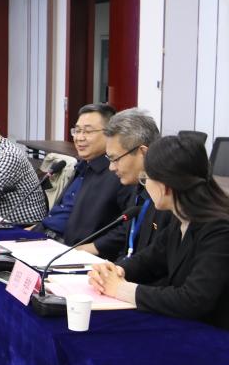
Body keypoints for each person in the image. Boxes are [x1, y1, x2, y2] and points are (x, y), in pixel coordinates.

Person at [89, 136, 229, 329]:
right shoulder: (181, 218)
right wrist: (117, 270)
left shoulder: (219, 229)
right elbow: (150, 259)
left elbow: (193, 299)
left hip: (214, 336)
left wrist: (122, 289)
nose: (145, 185)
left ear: (166, 187)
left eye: (146, 178)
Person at [80, 108, 174, 261]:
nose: (111, 167)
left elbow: (158, 264)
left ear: (143, 153)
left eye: (115, 159)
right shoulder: (137, 189)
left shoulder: (167, 201)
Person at [35, 103, 134, 245]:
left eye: (88, 131)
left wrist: (94, 247)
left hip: (71, 248)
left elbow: (127, 227)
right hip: (43, 236)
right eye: (77, 130)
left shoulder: (119, 174)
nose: (79, 138)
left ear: (110, 133)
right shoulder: (82, 165)